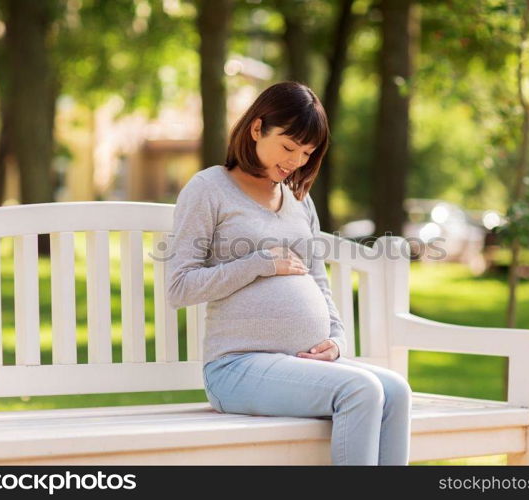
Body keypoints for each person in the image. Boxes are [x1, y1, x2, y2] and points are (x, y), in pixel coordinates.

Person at [166, 81, 412, 465]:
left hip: (301, 366)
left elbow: (317, 280)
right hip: (237, 367)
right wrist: (258, 263)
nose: (296, 161)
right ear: (256, 128)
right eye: (287, 146)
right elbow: (179, 287)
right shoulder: (209, 188)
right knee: (360, 389)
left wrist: (337, 340)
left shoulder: (299, 197)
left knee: (395, 390)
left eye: (307, 152)